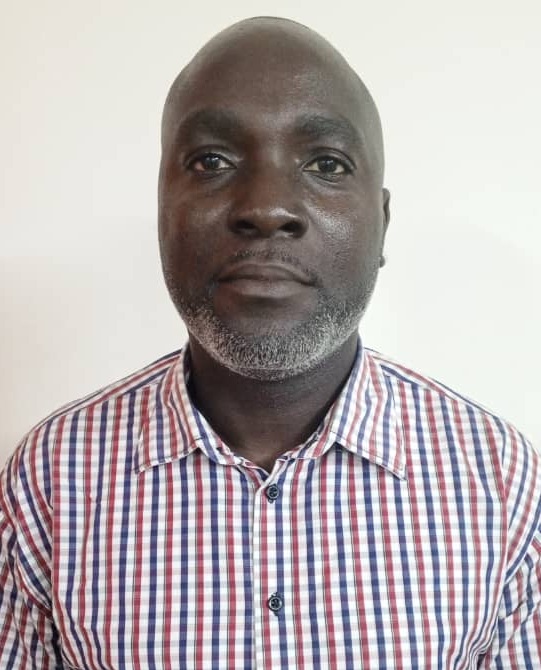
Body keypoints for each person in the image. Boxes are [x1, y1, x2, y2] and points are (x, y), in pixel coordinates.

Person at [1, 16, 539, 670]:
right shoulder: (48, 479)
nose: (265, 207)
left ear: (382, 224)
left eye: (326, 164)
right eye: (212, 161)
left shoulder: (501, 480)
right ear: (162, 209)